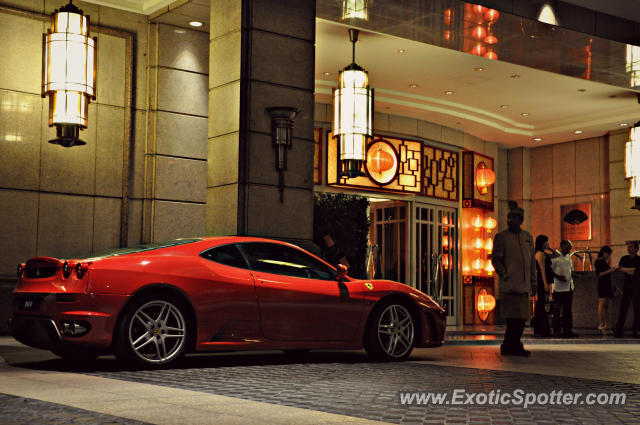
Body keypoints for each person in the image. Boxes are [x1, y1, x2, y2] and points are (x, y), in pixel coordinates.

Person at [492, 204, 536, 356]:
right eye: (509, 217)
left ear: (521, 220)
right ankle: (510, 345)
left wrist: (533, 283)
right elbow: (496, 260)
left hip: (524, 286)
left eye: (514, 217)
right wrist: (505, 275)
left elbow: (531, 264)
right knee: (512, 320)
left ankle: (514, 344)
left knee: (522, 319)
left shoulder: (527, 238)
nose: (511, 220)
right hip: (510, 286)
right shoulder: (501, 237)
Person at [550, 240, 579, 338]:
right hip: (558, 288)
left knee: (568, 310)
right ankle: (556, 330)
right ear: (561, 246)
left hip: (569, 287)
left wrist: (574, 274)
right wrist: (558, 277)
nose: (569, 250)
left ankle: (568, 330)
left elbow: (571, 269)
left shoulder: (568, 257)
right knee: (557, 311)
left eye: (570, 248)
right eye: (567, 248)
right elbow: (550, 271)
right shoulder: (555, 257)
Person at [614, 241, 640, 338]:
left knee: (637, 309)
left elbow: (637, 271)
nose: (629, 248)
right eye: (628, 247)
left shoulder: (639, 259)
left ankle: (636, 329)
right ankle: (619, 328)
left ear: (637, 249)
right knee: (623, 308)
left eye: (631, 247)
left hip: (637, 287)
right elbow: (620, 268)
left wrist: (627, 270)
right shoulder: (624, 258)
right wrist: (632, 269)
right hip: (627, 286)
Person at [532, 235, 554, 337]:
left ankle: (540, 329)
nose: (548, 243)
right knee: (542, 306)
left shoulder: (543, 253)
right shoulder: (540, 254)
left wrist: (550, 249)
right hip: (542, 282)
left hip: (543, 282)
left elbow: (558, 255)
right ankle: (543, 329)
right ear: (542, 243)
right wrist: (546, 284)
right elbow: (542, 270)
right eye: (546, 242)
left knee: (541, 305)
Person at [594, 245, 615, 334]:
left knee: (606, 306)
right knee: (602, 305)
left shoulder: (605, 261)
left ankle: (607, 325)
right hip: (602, 284)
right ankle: (601, 324)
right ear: (604, 252)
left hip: (607, 284)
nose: (609, 256)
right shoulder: (599, 261)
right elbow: (598, 273)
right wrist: (610, 270)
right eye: (608, 254)